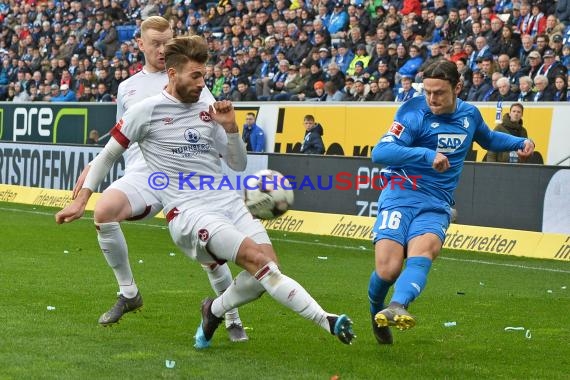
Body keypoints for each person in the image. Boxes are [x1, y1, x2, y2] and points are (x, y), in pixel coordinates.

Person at [56, 35, 354, 349]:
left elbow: (238, 165)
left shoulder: (209, 110)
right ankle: (327, 320)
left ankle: (213, 310)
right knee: (256, 260)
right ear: (173, 74)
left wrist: (231, 128)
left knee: (266, 270)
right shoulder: (146, 111)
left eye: (204, 75)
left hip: (227, 201)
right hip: (188, 212)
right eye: (195, 75)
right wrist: (82, 199)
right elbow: (107, 156)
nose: (202, 82)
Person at [70, 17, 249, 343]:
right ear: (140, 44)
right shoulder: (128, 88)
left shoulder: (193, 83)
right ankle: (129, 293)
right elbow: (119, 137)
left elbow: (210, 131)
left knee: (209, 253)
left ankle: (231, 316)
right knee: (104, 211)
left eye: (167, 42)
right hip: (144, 174)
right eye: (154, 43)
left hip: (185, 175)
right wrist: (91, 170)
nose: (162, 49)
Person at [367, 60, 534, 345]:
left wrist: (518, 143)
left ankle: (397, 306)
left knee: (425, 251)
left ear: (457, 88)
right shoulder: (411, 111)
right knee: (388, 269)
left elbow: (489, 138)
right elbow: (381, 152)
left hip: (436, 202)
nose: (432, 99)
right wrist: (426, 155)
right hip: (400, 194)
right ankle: (376, 313)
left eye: (439, 93)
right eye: (428, 91)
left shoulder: (469, 115)